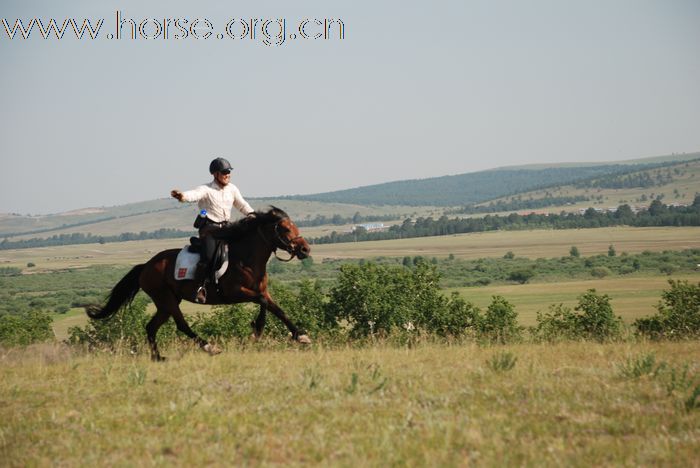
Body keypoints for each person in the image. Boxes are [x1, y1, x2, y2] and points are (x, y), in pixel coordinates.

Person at [171, 157, 255, 303]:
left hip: (227, 228)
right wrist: (182, 196)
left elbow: (242, 205)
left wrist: (253, 215)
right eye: (224, 172)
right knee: (209, 257)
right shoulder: (206, 189)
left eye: (229, 172)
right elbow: (193, 195)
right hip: (209, 229)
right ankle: (199, 288)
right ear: (215, 174)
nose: (227, 174)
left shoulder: (232, 189)